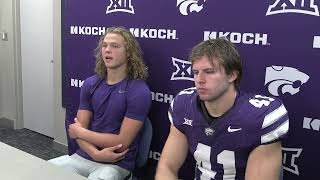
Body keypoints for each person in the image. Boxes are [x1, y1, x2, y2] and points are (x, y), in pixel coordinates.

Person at [155, 38, 289, 180]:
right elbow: (167, 167)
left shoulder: (261, 116)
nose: (199, 80)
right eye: (195, 72)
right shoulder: (184, 104)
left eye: (209, 72)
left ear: (232, 75)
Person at [49, 26, 152, 180]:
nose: (107, 50)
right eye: (104, 45)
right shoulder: (90, 84)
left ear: (129, 53)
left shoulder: (139, 91)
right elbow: (76, 132)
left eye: (115, 46)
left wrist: (81, 133)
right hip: (84, 155)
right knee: (43, 170)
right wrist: (95, 153)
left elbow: (121, 143)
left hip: (116, 162)